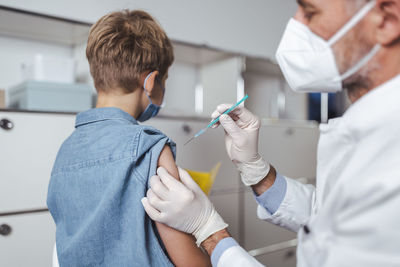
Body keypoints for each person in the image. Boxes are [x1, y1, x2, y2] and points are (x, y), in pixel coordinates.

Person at [141, 0, 400, 266]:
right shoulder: (370, 130)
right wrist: (257, 172)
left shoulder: (391, 156)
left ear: (386, 20)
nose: (296, 26)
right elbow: (327, 217)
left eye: (310, 13)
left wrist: (209, 231)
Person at [47, 10, 211, 266]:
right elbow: (190, 262)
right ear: (151, 81)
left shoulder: (65, 150)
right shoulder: (150, 148)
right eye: (163, 81)